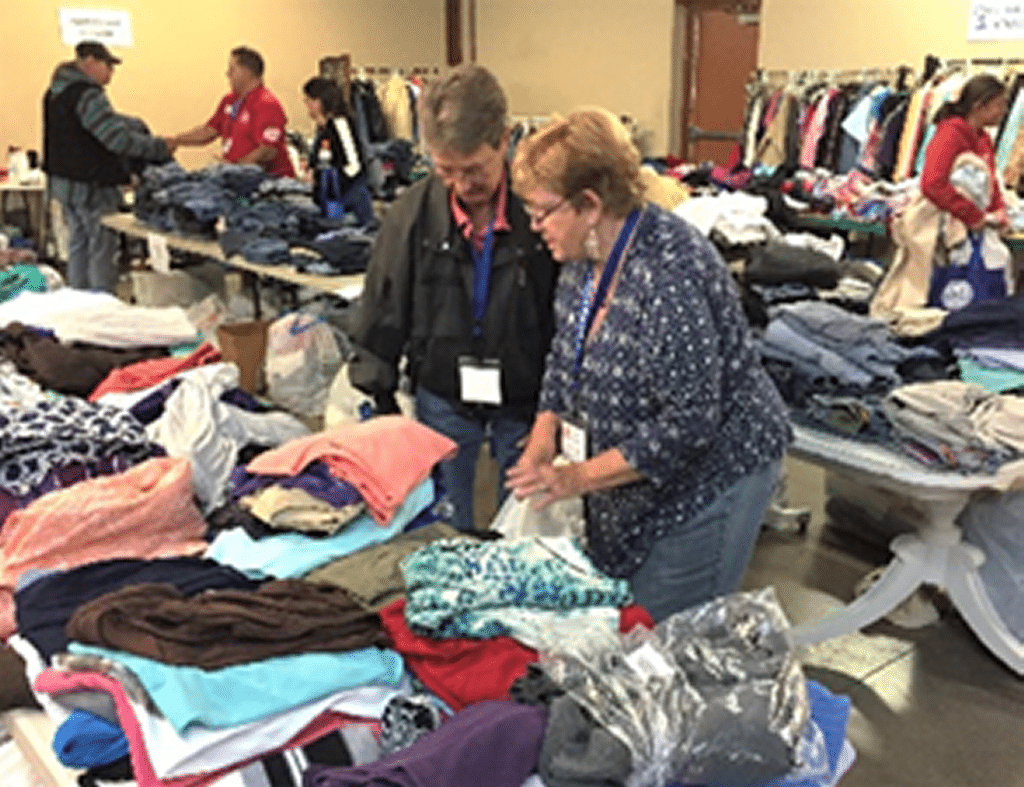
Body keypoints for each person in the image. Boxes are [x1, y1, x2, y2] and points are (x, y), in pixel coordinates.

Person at [506, 108, 791, 622]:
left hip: (712, 476)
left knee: (664, 633)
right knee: (624, 619)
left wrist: (577, 479)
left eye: (542, 211)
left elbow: (689, 423)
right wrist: (542, 436)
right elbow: (563, 355)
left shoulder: (667, 274)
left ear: (589, 204)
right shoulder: (579, 259)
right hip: (634, 476)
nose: (533, 226)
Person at [347, 64, 559, 533]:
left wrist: (562, 406)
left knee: (523, 524)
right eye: (447, 171)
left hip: (524, 393)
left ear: (504, 141)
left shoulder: (541, 215)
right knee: (445, 524)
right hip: (443, 389)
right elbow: (383, 307)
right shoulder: (411, 216)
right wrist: (379, 394)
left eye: (474, 169)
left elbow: (565, 313)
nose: (462, 185)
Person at [43, 41, 174, 292]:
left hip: (64, 185)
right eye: (108, 66)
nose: (111, 73)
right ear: (90, 62)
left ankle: (80, 302)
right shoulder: (88, 94)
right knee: (102, 247)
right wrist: (158, 147)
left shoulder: (55, 92)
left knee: (78, 244)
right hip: (92, 187)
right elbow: (116, 139)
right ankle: (102, 306)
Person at [170, 46, 295, 177]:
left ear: (246, 72)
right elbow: (208, 131)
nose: (227, 74)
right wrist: (176, 140)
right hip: (235, 177)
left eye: (232, 69)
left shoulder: (266, 103)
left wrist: (235, 168)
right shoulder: (229, 100)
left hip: (264, 182)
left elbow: (268, 151)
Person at [921, 73, 1009, 232]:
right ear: (979, 106)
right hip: (946, 225)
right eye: (1000, 104)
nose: (1004, 111)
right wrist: (972, 215)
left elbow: (991, 181)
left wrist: (998, 210)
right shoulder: (950, 134)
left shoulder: (983, 138)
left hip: (971, 223)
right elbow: (932, 184)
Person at [301, 77, 375, 226]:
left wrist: (325, 178)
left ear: (320, 101)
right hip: (332, 200)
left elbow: (354, 165)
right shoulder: (323, 129)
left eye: (309, 100)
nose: (307, 106)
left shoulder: (340, 124)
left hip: (348, 202)